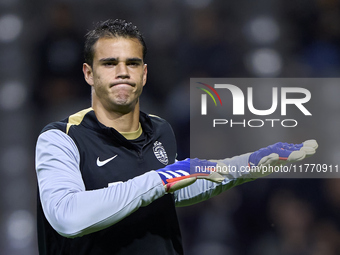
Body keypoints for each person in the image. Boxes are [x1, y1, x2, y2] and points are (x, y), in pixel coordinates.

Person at [35, 19, 318, 255]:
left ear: (144, 74)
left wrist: (248, 165)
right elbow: (67, 217)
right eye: (109, 63)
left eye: (132, 63)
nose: (122, 72)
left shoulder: (160, 130)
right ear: (88, 73)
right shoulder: (61, 138)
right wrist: (163, 178)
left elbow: (174, 190)